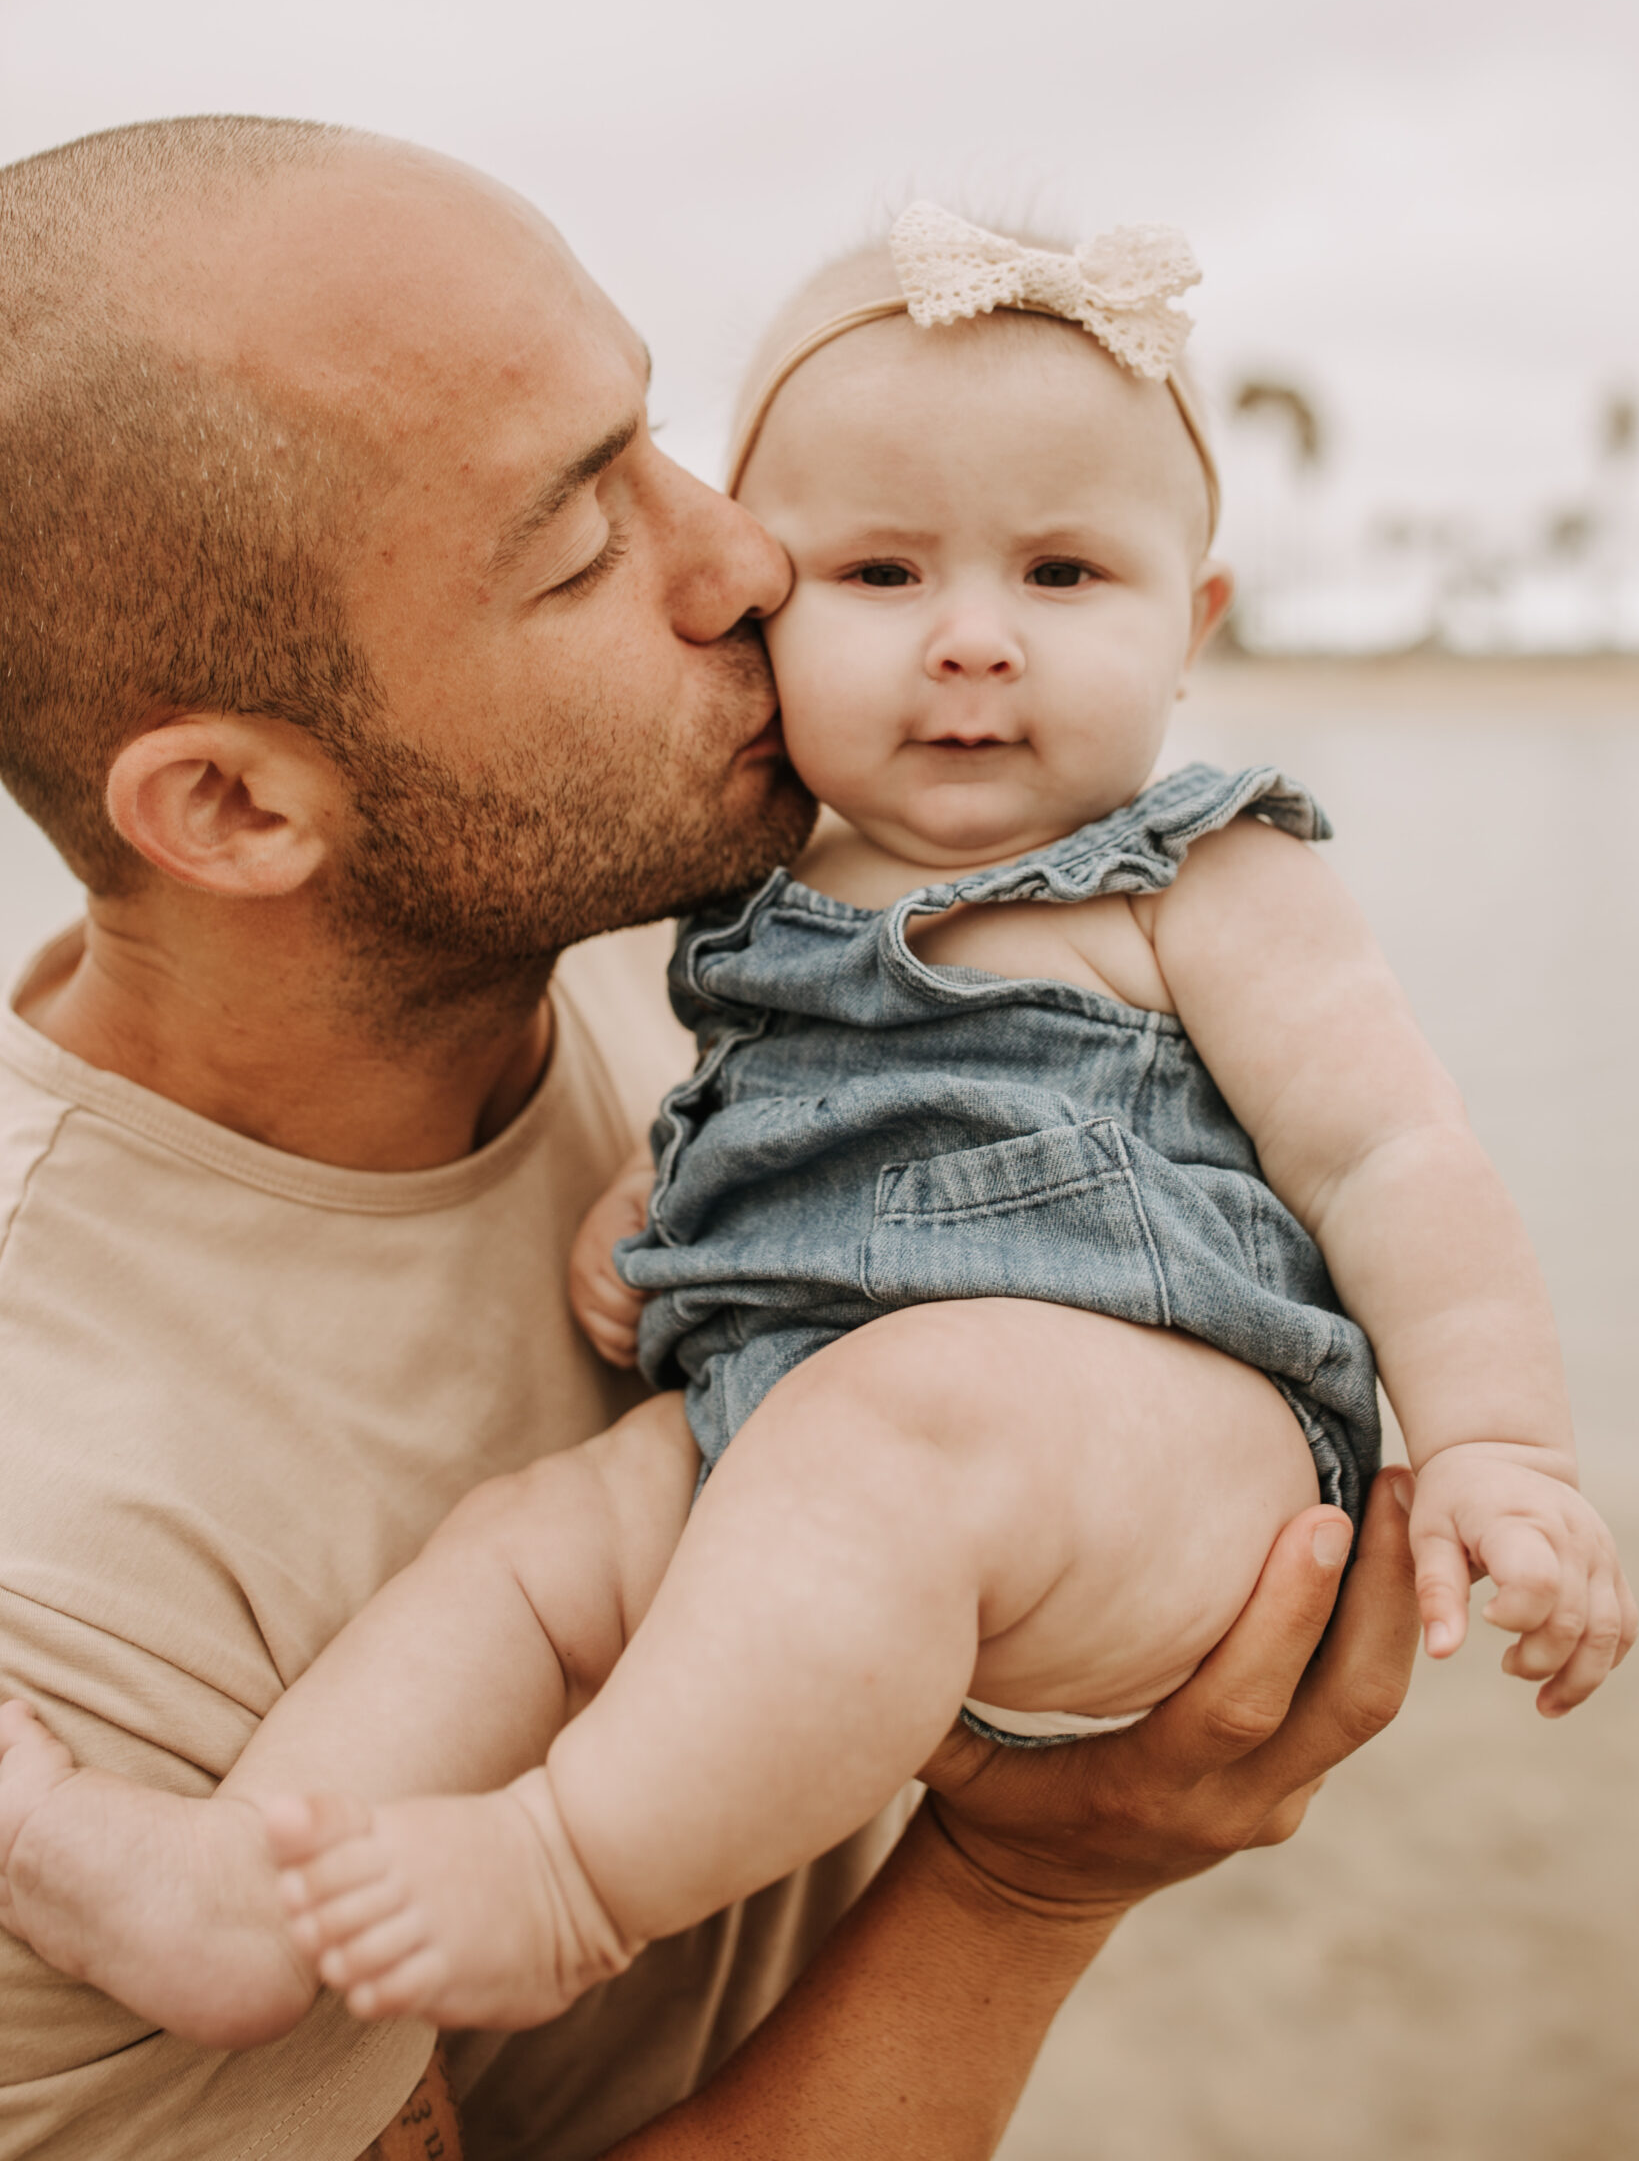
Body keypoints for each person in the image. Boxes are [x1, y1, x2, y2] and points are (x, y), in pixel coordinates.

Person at [0, 120, 1420, 2161]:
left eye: (654, 435)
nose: (746, 556)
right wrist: (1026, 1883)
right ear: (232, 812)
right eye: (578, 543)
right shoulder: (59, 1570)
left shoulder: (676, 986)